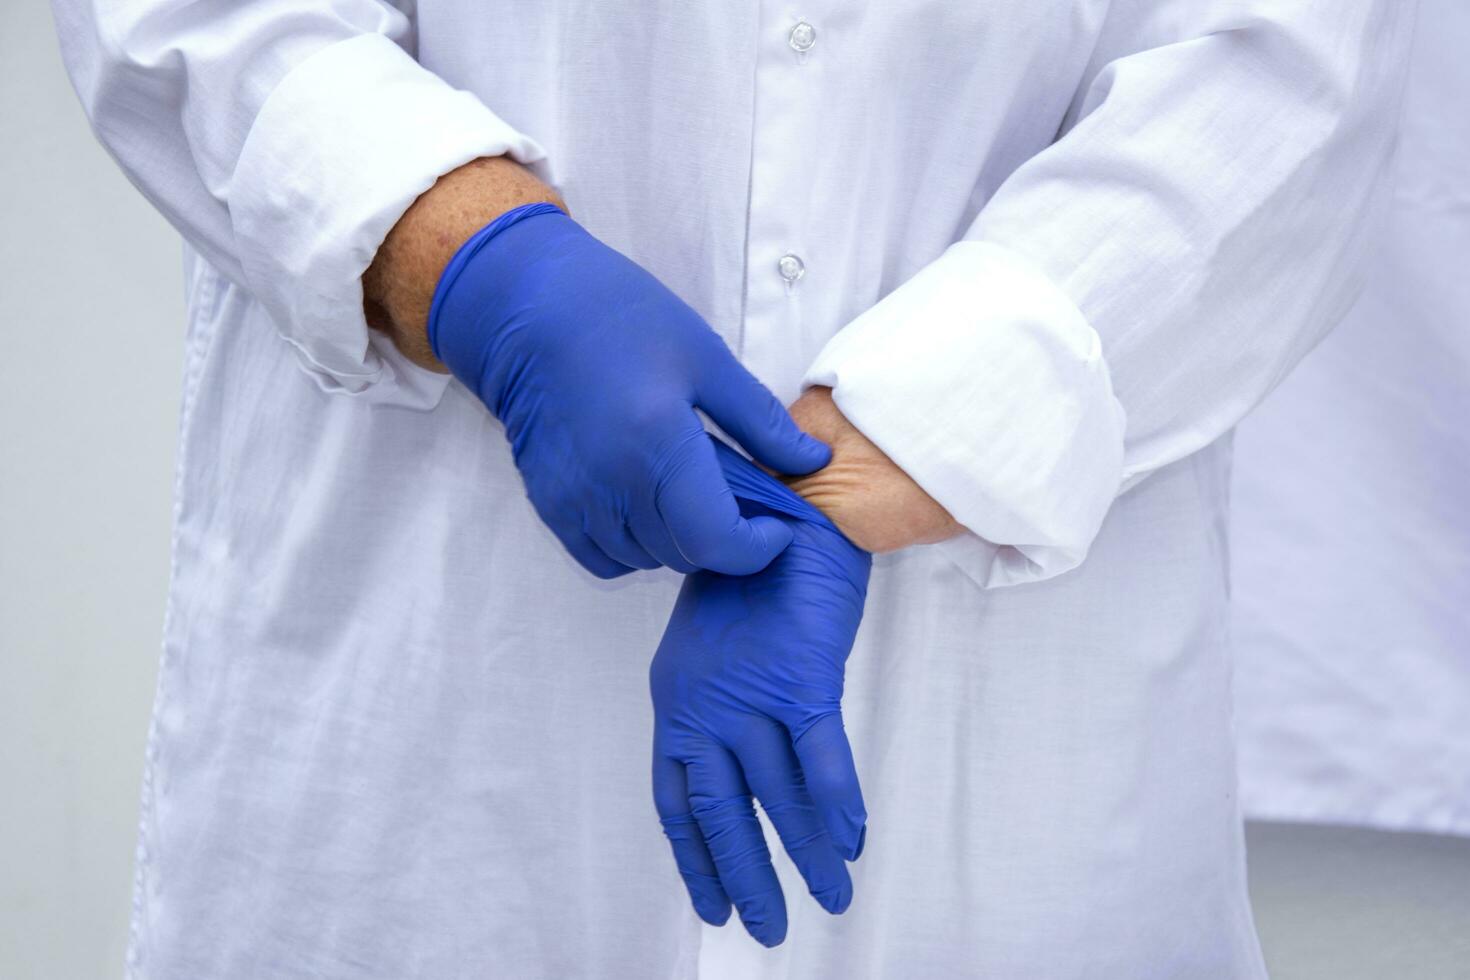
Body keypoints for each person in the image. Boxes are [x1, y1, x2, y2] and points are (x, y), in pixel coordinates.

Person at [53, 1, 1414, 977]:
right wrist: (478, 271)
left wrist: (900, 442)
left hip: (1011, 765)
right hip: (431, 737)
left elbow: (1288, 78)